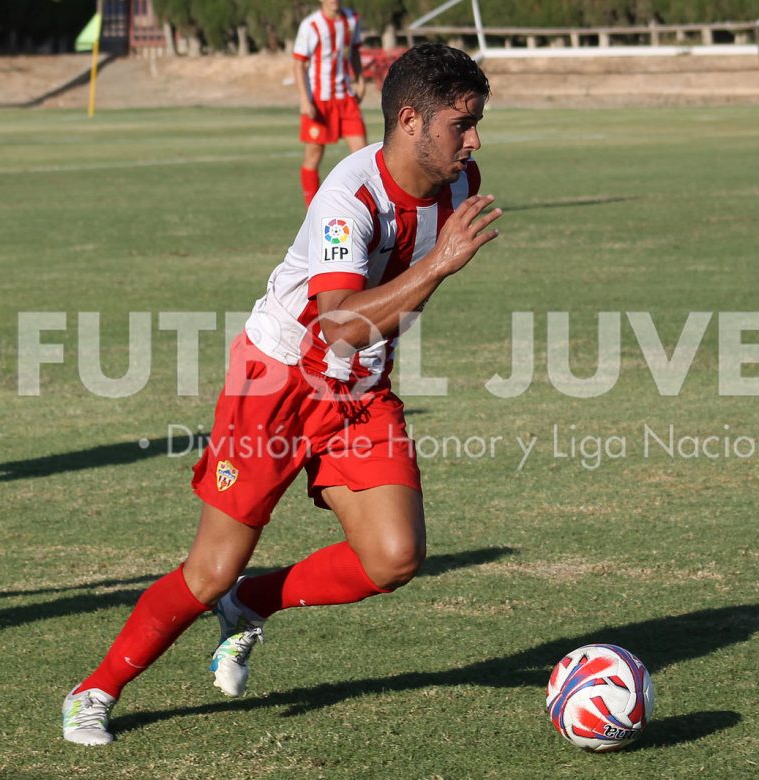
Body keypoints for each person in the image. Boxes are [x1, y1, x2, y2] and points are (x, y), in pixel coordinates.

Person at [61, 42, 500, 746]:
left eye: (477, 123)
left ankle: (251, 604)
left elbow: (371, 327)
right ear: (411, 120)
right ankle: (95, 689)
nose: (474, 141)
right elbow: (337, 323)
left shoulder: (459, 179)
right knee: (210, 570)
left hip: (358, 386)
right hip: (275, 381)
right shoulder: (349, 197)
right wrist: (440, 264)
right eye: (462, 124)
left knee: (393, 556)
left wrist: (422, 285)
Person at [293, 0, 368, 206]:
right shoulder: (311, 25)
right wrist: (304, 99)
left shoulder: (351, 19)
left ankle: (365, 207)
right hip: (319, 101)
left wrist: (360, 80)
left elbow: (354, 52)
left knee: (362, 155)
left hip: (345, 98)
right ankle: (312, 210)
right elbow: (298, 64)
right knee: (314, 156)